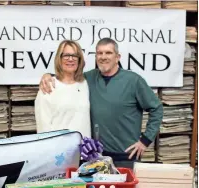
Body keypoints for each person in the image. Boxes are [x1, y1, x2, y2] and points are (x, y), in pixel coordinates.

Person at [39, 38, 163, 168]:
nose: (103, 57)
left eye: (108, 53)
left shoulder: (134, 81)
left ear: (117, 57)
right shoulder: (88, 79)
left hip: (126, 157)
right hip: (95, 158)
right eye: (99, 53)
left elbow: (157, 108)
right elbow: (67, 77)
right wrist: (48, 76)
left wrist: (145, 140)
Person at [35, 40, 91, 138]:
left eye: (74, 55)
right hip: (60, 150)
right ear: (59, 59)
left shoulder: (85, 83)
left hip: (85, 150)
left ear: (79, 59)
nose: (70, 59)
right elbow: (43, 129)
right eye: (66, 55)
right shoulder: (48, 86)